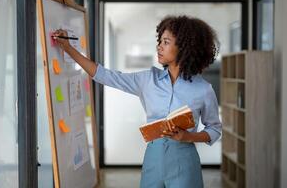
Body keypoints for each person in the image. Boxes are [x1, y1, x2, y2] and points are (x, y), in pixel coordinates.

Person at [53, 15, 222, 188]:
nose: (159, 47)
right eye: (160, 41)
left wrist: (189, 136)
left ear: (184, 47)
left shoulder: (203, 89)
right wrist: (68, 48)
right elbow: (104, 75)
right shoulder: (148, 79)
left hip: (185, 160)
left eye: (166, 42)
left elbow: (215, 129)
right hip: (153, 158)